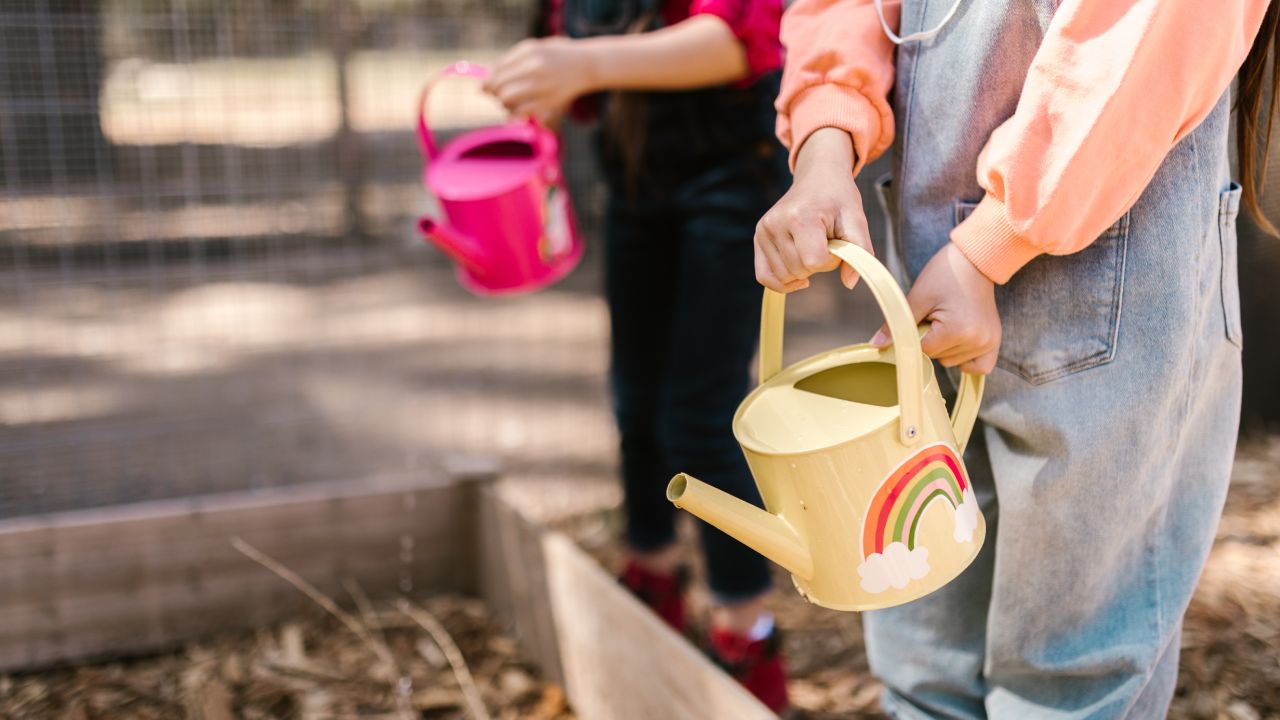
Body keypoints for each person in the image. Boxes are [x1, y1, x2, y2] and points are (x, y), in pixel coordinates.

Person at [754, 0, 1276, 717]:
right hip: (943, 280)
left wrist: (988, 250)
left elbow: (1148, 36)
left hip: (1095, 290)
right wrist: (824, 150)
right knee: (934, 654)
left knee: (1064, 677)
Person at [483, 0, 791, 711]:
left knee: (701, 416)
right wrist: (543, 91)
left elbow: (739, 40)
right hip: (633, 178)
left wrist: (582, 63)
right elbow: (578, 69)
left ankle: (748, 633)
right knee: (636, 402)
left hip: (729, 176)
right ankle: (650, 588)